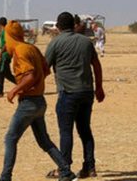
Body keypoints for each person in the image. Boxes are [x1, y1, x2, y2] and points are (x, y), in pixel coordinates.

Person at [0, 21, 77, 181]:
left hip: (28, 103)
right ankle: (66, 172)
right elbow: (45, 69)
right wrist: (35, 83)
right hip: (39, 101)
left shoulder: (20, 51)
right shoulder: (31, 47)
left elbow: (30, 75)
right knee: (44, 141)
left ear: (10, 36)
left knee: (11, 138)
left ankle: (5, 177)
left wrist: (16, 89)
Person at [45, 12, 105, 179]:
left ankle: (64, 168)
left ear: (58, 26)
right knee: (85, 130)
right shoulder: (86, 42)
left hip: (67, 93)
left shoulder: (55, 43)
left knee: (66, 132)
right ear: (74, 25)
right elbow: (97, 65)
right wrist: (99, 87)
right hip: (86, 92)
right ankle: (90, 167)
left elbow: (44, 68)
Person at [0, 17, 16, 98]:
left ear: (0, 24)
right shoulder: (7, 31)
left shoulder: (5, 32)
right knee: (7, 74)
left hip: (5, 56)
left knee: (0, 73)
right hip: (7, 55)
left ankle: (0, 92)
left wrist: (1, 52)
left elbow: (6, 44)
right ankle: (22, 85)